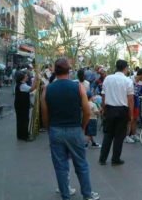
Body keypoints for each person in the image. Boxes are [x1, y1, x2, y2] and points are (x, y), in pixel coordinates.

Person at [41, 58, 100, 200]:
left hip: (56, 130)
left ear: (55, 71)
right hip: (74, 129)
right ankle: (87, 194)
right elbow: (86, 111)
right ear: (69, 71)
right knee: (81, 164)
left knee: (60, 166)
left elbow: (44, 114)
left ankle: (65, 196)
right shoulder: (78, 87)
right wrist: (82, 127)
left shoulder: (47, 89)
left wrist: (50, 129)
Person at [99, 60, 134, 166]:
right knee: (119, 136)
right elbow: (130, 99)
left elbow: (103, 95)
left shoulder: (108, 78)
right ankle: (115, 159)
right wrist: (131, 115)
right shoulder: (128, 81)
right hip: (122, 110)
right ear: (125, 68)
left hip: (109, 109)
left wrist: (104, 109)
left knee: (108, 134)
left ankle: (102, 159)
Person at [14, 71, 38, 141]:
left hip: (21, 105)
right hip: (22, 106)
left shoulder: (22, 84)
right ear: (22, 78)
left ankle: (21, 135)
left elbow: (28, 92)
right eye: (26, 76)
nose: (27, 77)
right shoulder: (22, 85)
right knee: (23, 120)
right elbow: (32, 89)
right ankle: (24, 136)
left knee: (22, 120)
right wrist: (35, 79)